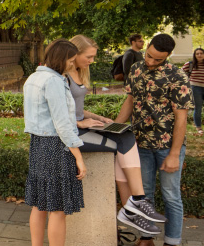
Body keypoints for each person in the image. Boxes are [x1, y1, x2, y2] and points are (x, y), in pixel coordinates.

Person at [66, 35, 164, 236]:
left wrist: (99, 117)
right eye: (89, 57)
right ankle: (135, 204)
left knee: (126, 134)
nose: (92, 61)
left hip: (81, 126)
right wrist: (79, 122)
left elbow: (76, 109)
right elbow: (57, 114)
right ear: (74, 53)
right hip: (70, 132)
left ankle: (134, 204)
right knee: (123, 144)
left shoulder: (78, 72)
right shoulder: (61, 76)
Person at [116, 33, 193, 246]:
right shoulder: (136, 68)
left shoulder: (178, 77)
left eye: (157, 59)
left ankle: (172, 241)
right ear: (147, 46)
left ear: (168, 56)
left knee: (171, 196)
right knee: (144, 195)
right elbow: (130, 101)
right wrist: (115, 129)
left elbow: (181, 118)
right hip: (140, 144)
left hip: (168, 146)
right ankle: (146, 239)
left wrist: (175, 154)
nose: (150, 61)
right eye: (149, 55)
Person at [23, 39, 86, 246]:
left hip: (38, 145)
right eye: (70, 60)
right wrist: (78, 157)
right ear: (62, 59)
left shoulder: (33, 77)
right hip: (55, 147)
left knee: (40, 204)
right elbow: (63, 124)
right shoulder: (54, 81)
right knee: (57, 209)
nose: (72, 65)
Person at [182, 47, 204, 136]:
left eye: (201, 53)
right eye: (197, 53)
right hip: (195, 88)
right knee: (198, 109)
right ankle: (199, 128)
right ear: (194, 55)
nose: (199, 55)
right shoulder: (190, 64)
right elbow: (180, 74)